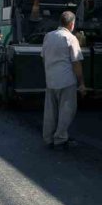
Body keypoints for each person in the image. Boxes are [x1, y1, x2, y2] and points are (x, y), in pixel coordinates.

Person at [41, 11, 86, 149]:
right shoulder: (71, 38)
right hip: (66, 81)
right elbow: (76, 63)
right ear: (72, 24)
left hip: (51, 80)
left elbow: (43, 57)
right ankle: (60, 138)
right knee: (67, 110)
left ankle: (48, 138)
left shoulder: (48, 36)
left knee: (50, 112)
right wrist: (81, 83)